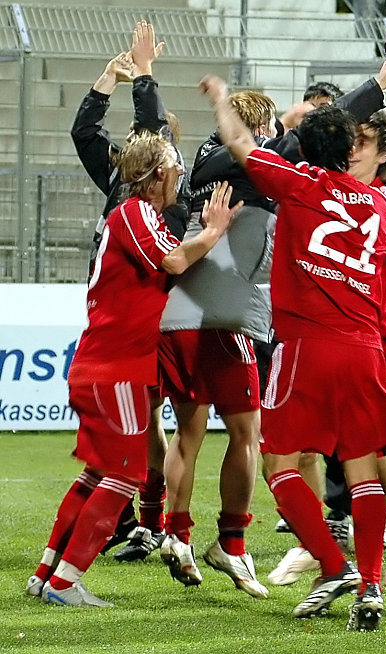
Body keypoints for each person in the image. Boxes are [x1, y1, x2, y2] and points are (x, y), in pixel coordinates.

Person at [202, 75, 386, 631]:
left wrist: (223, 100)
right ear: (349, 150)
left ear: (304, 147)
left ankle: (331, 563)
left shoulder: (296, 182)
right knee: (363, 469)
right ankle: (370, 586)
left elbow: (240, 144)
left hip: (306, 348)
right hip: (365, 350)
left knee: (279, 462)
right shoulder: (380, 203)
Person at [26, 133, 238, 607]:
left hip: (104, 363)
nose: (181, 174)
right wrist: (213, 231)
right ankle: (65, 581)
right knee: (126, 475)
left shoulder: (141, 217)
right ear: (158, 173)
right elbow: (175, 260)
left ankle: (45, 574)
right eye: (175, 167)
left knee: (96, 475)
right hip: (115, 367)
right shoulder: (135, 211)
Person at [267, 112, 386, 589]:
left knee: (377, 447)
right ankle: (317, 543)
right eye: (352, 140)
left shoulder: (384, 198)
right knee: (312, 451)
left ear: (383, 155)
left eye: (366, 142)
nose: (355, 149)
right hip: (337, 335)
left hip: (377, 333)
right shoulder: (335, 190)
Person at [68, 20, 190, 563]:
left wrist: (144, 75)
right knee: (135, 425)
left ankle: (152, 519)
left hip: (157, 315)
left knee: (153, 421)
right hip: (119, 316)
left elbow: (152, 124)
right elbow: (84, 134)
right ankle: (133, 519)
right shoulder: (125, 184)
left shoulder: (173, 197)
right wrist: (108, 80)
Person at [156, 90, 279, 599]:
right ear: (262, 126)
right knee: (247, 433)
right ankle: (232, 541)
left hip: (177, 314)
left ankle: (176, 533)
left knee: (188, 432)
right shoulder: (259, 162)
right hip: (225, 317)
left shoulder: (205, 162)